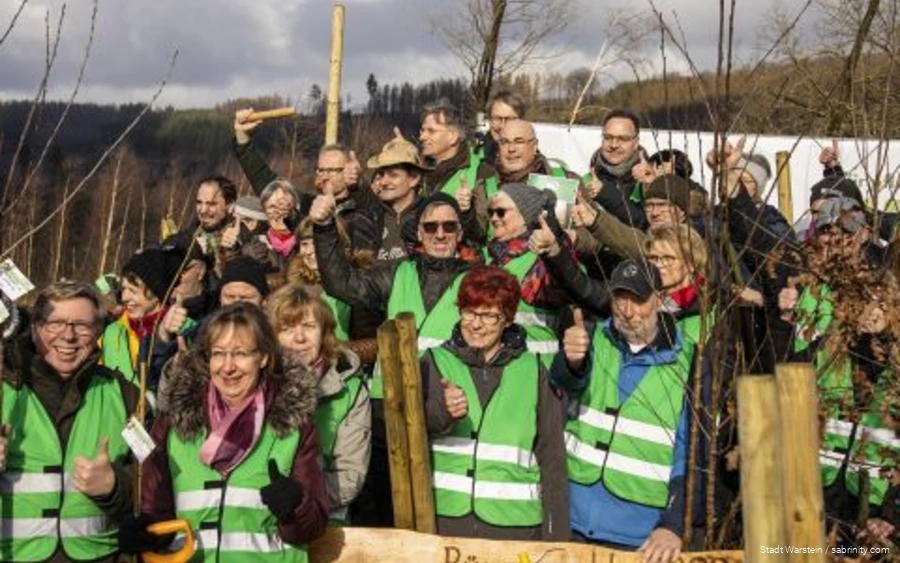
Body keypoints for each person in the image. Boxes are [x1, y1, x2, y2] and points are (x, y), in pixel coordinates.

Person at [311, 190, 477, 527]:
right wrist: (324, 229)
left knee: (440, 508)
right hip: (386, 408)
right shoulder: (396, 272)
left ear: (460, 233)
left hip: (448, 407)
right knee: (382, 512)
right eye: (431, 227)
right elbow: (343, 284)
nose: (440, 234)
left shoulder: (476, 279)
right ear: (418, 233)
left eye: (449, 226)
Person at [127, 303, 328, 560]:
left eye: (241, 354)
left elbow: (312, 527)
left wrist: (294, 508)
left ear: (263, 357)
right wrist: (144, 533)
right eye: (219, 353)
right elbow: (156, 512)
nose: (228, 366)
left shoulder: (293, 426)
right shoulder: (174, 423)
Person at [554, 260, 702, 561]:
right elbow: (562, 385)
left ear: (659, 300)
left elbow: (691, 454)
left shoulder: (689, 361)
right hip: (571, 519)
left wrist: (672, 525)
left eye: (638, 299)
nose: (628, 311)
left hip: (640, 535)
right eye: (620, 298)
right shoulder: (592, 339)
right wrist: (569, 362)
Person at [775, 197, 898, 547]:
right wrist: (783, 320)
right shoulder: (806, 287)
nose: (834, 240)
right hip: (813, 469)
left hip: (868, 489)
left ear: (863, 236)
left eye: (844, 232)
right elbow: (788, 368)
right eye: (826, 232)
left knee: (845, 551)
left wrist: (891, 511)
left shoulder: (881, 288)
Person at [423, 266, 568, 541]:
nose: (476, 324)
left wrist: (555, 538)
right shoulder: (433, 362)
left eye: (489, 315)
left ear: (507, 320)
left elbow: (552, 458)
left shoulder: (534, 370)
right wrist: (442, 413)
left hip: (515, 526)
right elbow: (408, 437)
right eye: (469, 312)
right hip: (445, 523)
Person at [1, 281, 140, 563]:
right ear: (36, 328)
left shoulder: (125, 396)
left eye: (82, 325)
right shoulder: (4, 392)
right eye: (55, 324)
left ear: (98, 332)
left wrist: (115, 488)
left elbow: (156, 490)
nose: (68, 336)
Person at [266, 284, 371, 525]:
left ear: (324, 333)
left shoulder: (349, 390)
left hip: (323, 516)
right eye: (287, 328)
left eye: (309, 327)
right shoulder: (256, 382)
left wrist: (302, 504)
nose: (299, 338)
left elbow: (349, 474)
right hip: (255, 516)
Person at [485, 183, 578, 363]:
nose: (494, 218)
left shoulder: (540, 260)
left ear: (524, 216)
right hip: (497, 367)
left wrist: (555, 251)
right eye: (491, 213)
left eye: (501, 212)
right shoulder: (492, 258)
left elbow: (562, 285)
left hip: (538, 368)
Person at [101, 246, 184, 387]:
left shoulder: (183, 333)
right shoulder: (112, 331)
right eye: (123, 289)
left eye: (133, 291)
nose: (124, 297)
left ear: (157, 293)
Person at [418, 98, 498, 237]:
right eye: (422, 130)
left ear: (453, 137)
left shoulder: (482, 172)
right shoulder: (419, 172)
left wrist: (467, 212)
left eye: (431, 131)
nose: (422, 137)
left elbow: (490, 231)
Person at [167, 175, 248, 277]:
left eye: (211, 204)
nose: (203, 210)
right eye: (199, 202)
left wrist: (235, 252)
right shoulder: (179, 242)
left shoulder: (248, 241)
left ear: (230, 205)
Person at [481, 88, 527, 167]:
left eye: (509, 119)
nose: (502, 126)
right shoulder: (471, 160)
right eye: (497, 118)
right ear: (489, 120)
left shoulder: (537, 165)